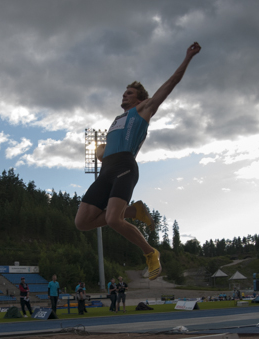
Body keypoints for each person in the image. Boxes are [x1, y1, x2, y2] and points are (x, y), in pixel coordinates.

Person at [74, 42, 202, 281]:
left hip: (124, 167)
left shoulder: (144, 110)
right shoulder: (115, 121)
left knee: (113, 219)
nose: (125, 94)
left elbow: (172, 82)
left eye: (129, 93)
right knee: (82, 223)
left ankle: (150, 252)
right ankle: (134, 211)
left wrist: (188, 57)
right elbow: (104, 154)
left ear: (140, 99)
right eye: (124, 92)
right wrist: (101, 152)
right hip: (107, 171)